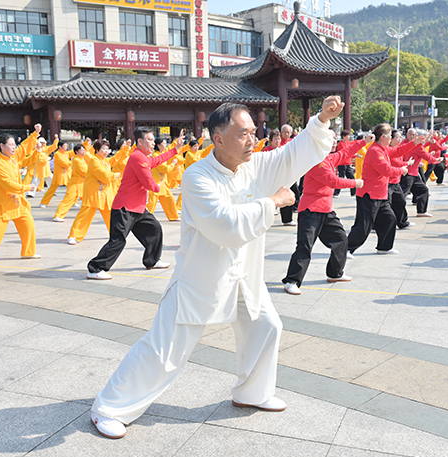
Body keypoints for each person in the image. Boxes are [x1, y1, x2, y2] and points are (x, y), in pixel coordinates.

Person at [89, 97, 342, 439]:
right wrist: (273, 202)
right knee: (165, 352)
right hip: (201, 278)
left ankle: (251, 393)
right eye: (243, 134)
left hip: (244, 276)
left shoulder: (256, 165)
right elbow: (225, 225)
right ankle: (109, 408)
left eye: (254, 132)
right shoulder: (198, 177)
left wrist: (323, 119)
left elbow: (294, 154)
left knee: (267, 326)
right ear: (218, 138)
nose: (253, 140)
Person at [85, 128, 182, 280]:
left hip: (137, 208)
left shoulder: (142, 156)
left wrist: (175, 150)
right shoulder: (138, 157)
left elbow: (156, 160)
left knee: (155, 229)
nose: (153, 143)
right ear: (140, 141)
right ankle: (95, 268)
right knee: (118, 240)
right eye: (149, 140)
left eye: (153, 139)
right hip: (124, 208)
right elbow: (149, 183)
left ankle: (152, 260)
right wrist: (160, 186)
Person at [282, 131, 369, 294]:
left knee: (341, 239)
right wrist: (354, 182)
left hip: (326, 210)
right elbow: (332, 181)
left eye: (334, 140)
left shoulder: (328, 158)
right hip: (310, 210)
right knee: (305, 246)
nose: (334, 143)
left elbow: (344, 153)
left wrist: (362, 142)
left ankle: (335, 273)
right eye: (331, 140)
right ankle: (291, 281)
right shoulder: (316, 161)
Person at [347, 124, 425, 256]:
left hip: (380, 195)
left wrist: (415, 143)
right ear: (383, 137)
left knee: (389, 219)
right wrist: (403, 170)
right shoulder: (375, 151)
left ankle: (384, 247)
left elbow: (398, 151)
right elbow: (386, 170)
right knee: (363, 226)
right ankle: (347, 249)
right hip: (369, 195)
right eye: (390, 135)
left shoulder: (382, 149)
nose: (391, 138)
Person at [0, 126, 41, 267]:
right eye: (10, 145)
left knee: (28, 225)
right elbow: (7, 184)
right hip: (3, 204)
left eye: (14, 144)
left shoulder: (12, 158)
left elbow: (24, 148)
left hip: (17, 202)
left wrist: (35, 134)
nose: (14, 147)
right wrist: (27, 187)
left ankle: (28, 252)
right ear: (2, 146)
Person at [67, 139, 116, 244]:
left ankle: (115, 235)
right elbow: (105, 177)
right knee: (85, 214)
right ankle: (74, 235)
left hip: (105, 193)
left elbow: (116, 159)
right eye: (103, 149)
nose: (106, 151)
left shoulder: (105, 161)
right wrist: (114, 176)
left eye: (107, 149)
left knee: (110, 215)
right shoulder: (94, 160)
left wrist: (128, 149)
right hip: (94, 192)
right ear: (97, 150)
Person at [52, 143, 89, 222]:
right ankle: (58, 215)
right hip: (75, 184)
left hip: (81, 184)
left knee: (88, 199)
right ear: (76, 152)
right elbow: (84, 172)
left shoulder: (82, 159)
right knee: (68, 200)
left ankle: (89, 213)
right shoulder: (76, 160)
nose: (83, 152)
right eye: (81, 151)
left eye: (84, 150)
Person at [40, 141, 74, 208]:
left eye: (66, 146)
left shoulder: (66, 153)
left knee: (72, 188)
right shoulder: (57, 154)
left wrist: (84, 145)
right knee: (52, 189)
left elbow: (74, 152)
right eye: (64, 146)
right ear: (60, 147)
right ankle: (43, 202)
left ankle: (73, 201)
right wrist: (72, 162)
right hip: (59, 175)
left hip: (67, 175)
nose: (66, 148)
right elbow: (64, 164)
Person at [334, 129, 356, 196]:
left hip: (347, 163)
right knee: (341, 178)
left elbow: (351, 150)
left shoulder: (347, 143)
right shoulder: (341, 144)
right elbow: (346, 153)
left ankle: (353, 193)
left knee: (351, 178)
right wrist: (355, 155)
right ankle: (336, 193)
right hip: (342, 164)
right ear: (343, 136)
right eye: (348, 136)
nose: (349, 137)